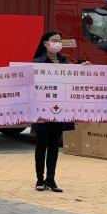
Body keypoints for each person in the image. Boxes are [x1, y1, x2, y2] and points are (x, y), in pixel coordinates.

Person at [31, 31, 75, 193]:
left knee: (54, 146)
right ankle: (39, 179)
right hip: (42, 112)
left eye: (59, 40)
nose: (57, 43)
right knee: (41, 145)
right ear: (45, 43)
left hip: (59, 111)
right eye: (54, 40)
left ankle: (51, 179)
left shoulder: (65, 63)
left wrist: (83, 70)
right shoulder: (36, 63)